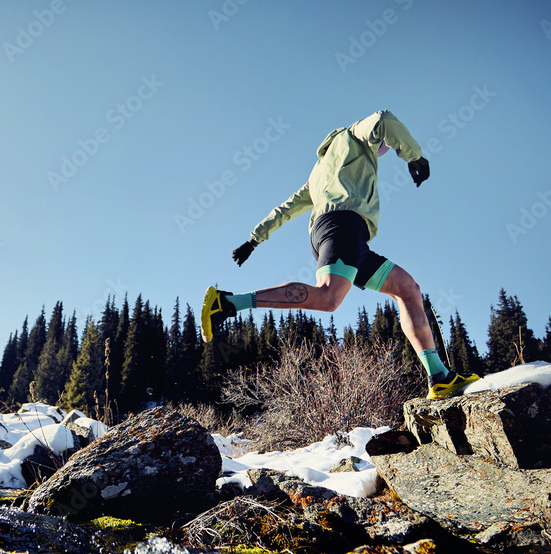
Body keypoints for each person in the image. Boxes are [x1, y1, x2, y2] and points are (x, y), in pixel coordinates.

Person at [200, 109, 478, 399]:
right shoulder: (354, 135)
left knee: (408, 289)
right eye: (384, 146)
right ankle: (228, 303)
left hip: (346, 236)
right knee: (328, 297)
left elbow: (287, 208)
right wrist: (414, 155)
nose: (383, 150)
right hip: (342, 226)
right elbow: (383, 119)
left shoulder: (318, 174)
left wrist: (254, 239)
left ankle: (439, 376)